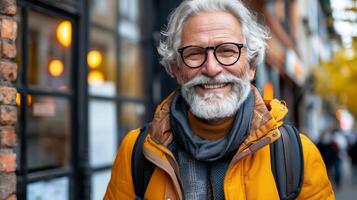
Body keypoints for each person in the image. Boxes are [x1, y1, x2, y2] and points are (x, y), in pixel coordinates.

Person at [104, 0, 334, 199]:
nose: (212, 68)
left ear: (251, 66)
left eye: (227, 51)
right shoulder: (137, 152)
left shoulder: (297, 154)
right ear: (175, 68)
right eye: (194, 53)